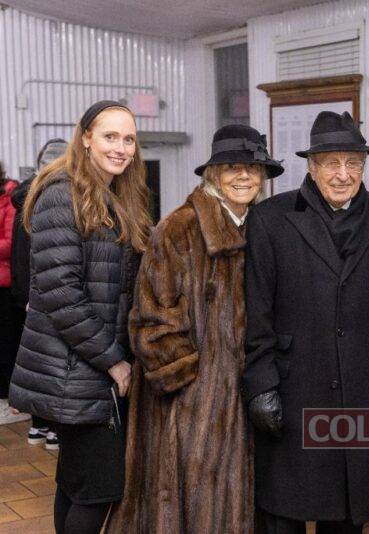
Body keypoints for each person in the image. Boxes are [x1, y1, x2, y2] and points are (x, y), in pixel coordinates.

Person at [105, 125, 283, 533]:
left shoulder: (261, 226)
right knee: (189, 506)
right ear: (213, 174)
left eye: (253, 168)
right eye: (232, 167)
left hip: (246, 396)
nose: (244, 176)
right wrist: (195, 389)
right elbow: (151, 320)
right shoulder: (180, 228)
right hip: (190, 407)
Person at [242, 111, 369, 533]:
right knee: (283, 512)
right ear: (311, 167)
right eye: (332, 163)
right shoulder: (271, 218)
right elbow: (256, 312)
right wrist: (261, 385)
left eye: (353, 163)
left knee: (346, 514)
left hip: (357, 389)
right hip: (291, 389)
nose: (343, 174)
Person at [8, 100, 151, 534]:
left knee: (77, 483)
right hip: (76, 370)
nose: (121, 148)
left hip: (84, 365)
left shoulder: (113, 194)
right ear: (86, 137)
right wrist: (114, 360)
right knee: (101, 489)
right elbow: (61, 294)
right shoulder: (62, 193)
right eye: (110, 136)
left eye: (129, 139)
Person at [10, 138, 68, 447]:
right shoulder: (57, 198)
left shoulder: (25, 197)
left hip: (28, 292)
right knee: (56, 361)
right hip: (48, 291)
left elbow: (21, 251)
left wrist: (24, 292)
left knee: (37, 359)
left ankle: (38, 425)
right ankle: (55, 428)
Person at [0, 161, 25, 425]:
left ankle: (9, 399)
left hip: (5, 285)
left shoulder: (9, 200)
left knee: (7, 344)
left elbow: (9, 245)